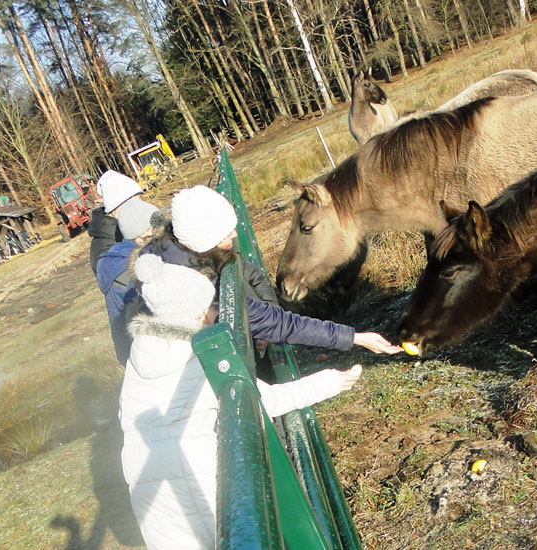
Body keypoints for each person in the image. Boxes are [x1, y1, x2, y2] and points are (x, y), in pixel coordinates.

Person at [120, 253, 363, 550]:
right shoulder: (205, 355)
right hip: (200, 471)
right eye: (209, 308)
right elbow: (262, 401)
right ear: (196, 313)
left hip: (145, 480)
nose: (214, 314)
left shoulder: (140, 357)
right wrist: (330, 382)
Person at [139, 185, 402, 359]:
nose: (233, 234)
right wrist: (354, 337)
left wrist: (266, 311)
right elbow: (280, 324)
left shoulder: (177, 251)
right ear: (202, 240)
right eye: (223, 233)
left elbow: (258, 292)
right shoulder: (197, 286)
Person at [96, 198, 165, 365]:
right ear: (141, 233)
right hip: (143, 355)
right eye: (154, 227)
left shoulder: (116, 256)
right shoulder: (133, 269)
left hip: (132, 351)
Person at [90, 170, 144, 275]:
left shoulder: (132, 229)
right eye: (131, 206)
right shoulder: (105, 250)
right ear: (114, 209)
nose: (139, 211)